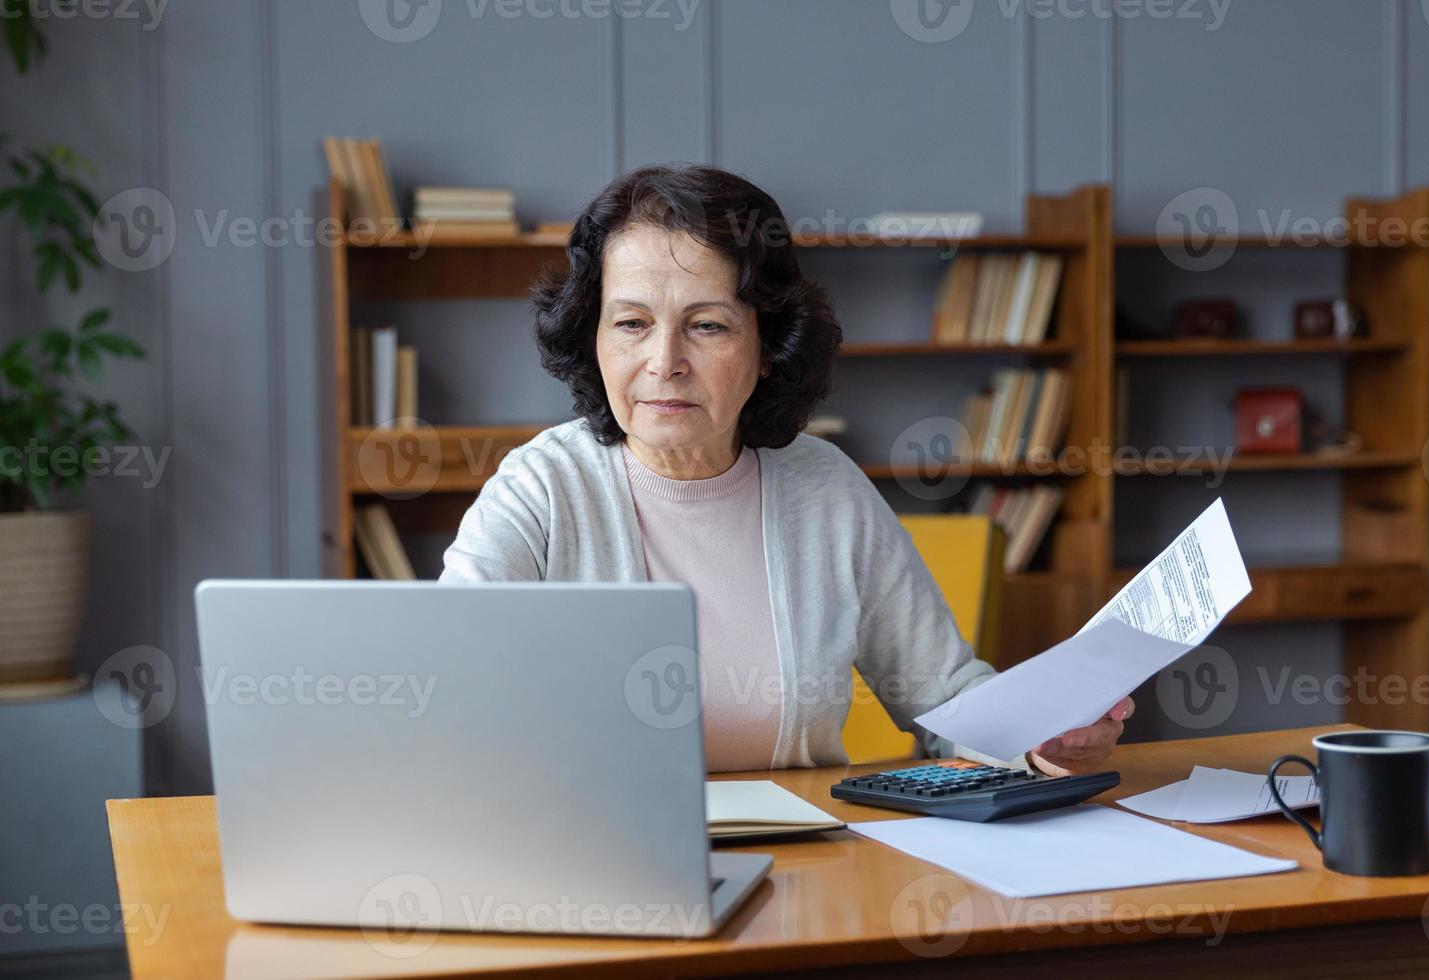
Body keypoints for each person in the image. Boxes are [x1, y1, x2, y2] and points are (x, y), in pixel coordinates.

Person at [440, 164, 1131, 773]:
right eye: (631, 324)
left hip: (806, 868)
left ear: (768, 345)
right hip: (596, 860)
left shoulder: (825, 488)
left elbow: (946, 701)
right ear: (592, 337)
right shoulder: (541, 488)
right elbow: (447, 684)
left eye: (707, 325)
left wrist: (1041, 734)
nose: (664, 361)